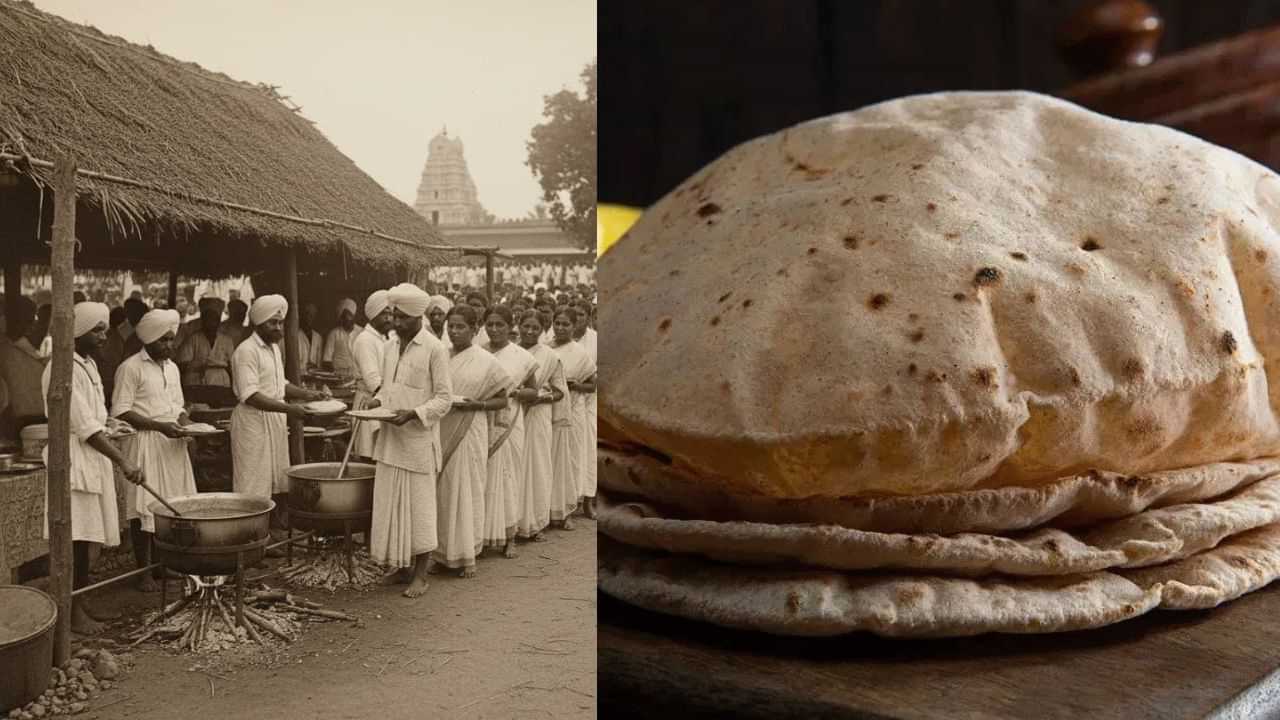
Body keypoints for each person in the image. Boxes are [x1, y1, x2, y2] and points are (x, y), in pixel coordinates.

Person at [43, 302, 144, 634]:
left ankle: (80, 603)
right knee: (73, 540)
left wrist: (112, 424)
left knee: (86, 541)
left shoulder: (86, 364)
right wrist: (123, 459)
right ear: (77, 332)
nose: (104, 336)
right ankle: (70, 613)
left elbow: (95, 418)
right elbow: (84, 428)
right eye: (97, 330)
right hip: (73, 461)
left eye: (104, 329)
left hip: (92, 457)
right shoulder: (62, 368)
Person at [363, 283, 452, 597]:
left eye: (401, 318)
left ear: (418, 317)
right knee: (392, 505)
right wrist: (376, 403)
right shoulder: (388, 346)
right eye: (393, 316)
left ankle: (420, 574)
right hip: (391, 439)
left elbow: (444, 400)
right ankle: (400, 567)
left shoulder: (435, 349)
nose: (395, 323)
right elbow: (387, 389)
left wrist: (413, 413)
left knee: (419, 509)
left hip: (417, 442)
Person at [230, 295, 325, 550]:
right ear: (259, 323)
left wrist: (308, 394)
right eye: (273, 323)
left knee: (274, 480)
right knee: (253, 483)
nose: (279, 329)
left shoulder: (272, 348)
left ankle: (268, 537)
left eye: (281, 323)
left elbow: (279, 385)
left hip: (273, 420)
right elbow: (251, 395)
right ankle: (248, 542)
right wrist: (290, 410)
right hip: (253, 423)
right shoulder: (246, 351)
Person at [111, 309, 197, 591]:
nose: (169, 346)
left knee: (170, 505)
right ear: (149, 339)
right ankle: (143, 571)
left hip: (171, 442)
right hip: (145, 442)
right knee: (144, 508)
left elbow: (178, 405)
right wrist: (160, 427)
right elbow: (121, 411)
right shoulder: (130, 367)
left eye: (172, 340)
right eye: (164, 341)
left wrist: (189, 426)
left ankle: (163, 564)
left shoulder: (171, 368)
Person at [431, 305, 509, 578]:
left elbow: (503, 399)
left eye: (460, 326)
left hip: (470, 427)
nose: (454, 331)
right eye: (450, 326)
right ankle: (441, 553)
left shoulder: (486, 361)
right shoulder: (440, 355)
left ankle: (467, 555)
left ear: (475, 330)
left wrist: (479, 404)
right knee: (443, 490)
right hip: (441, 426)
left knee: (467, 487)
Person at [480, 306, 539, 558]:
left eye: (499, 325)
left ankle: (509, 536)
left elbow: (533, 392)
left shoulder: (521, 357)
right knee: (483, 479)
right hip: (482, 421)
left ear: (509, 326)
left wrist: (514, 393)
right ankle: (480, 536)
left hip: (511, 422)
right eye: (490, 324)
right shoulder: (478, 353)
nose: (494, 329)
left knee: (509, 477)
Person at [515, 312, 567, 540]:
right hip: (513, 413)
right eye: (525, 326)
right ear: (518, 326)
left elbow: (560, 392)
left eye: (535, 328)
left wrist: (541, 398)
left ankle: (535, 524)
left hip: (538, 415)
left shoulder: (550, 356)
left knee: (536, 466)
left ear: (542, 329)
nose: (529, 331)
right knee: (512, 467)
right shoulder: (510, 352)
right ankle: (510, 524)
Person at [549, 308, 595, 527]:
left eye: (565, 324)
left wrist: (576, 385)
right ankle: (548, 507)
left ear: (574, 325)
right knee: (550, 457)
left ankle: (569, 507)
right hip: (547, 409)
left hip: (573, 409)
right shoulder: (545, 349)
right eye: (557, 323)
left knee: (570, 457)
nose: (560, 328)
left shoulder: (580, 353)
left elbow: (593, 384)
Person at [350, 290, 392, 460]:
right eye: (384, 314)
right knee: (369, 458)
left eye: (390, 313)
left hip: (383, 402)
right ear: (373, 315)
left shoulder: (385, 338)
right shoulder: (365, 340)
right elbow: (373, 382)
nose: (389, 318)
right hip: (369, 403)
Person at [0, 296, 47, 432]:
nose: (33, 325)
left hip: (35, 419)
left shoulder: (20, 347)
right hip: (19, 421)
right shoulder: (7, 350)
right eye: (28, 320)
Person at [572, 300, 599, 518]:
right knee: (569, 452)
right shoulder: (557, 339)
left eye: (581, 315)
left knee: (588, 451)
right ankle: (569, 502)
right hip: (566, 403)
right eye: (574, 315)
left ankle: (589, 500)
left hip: (590, 402)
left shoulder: (597, 341)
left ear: (588, 317)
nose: (577, 319)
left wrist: (580, 386)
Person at [175, 296, 235, 387]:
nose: (210, 322)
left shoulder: (227, 340)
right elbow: (182, 363)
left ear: (218, 321)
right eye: (207, 318)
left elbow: (233, 365)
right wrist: (200, 364)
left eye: (214, 319)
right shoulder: (193, 339)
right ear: (202, 320)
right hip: (196, 382)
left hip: (221, 382)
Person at [323, 298, 360, 378]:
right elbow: (327, 360)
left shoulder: (362, 333)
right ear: (341, 319)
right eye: (344, 317)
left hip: (359, 377)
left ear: (354, 316)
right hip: (340, 378)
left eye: (350, 316)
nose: (347, 320)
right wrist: (336, 375)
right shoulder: (333, 334)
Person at [297, 303, 323, 371]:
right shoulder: (294, 336)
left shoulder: (318, 338)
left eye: (312, 315)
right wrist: (305, 366)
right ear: (302, 316)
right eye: (307, 314)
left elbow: (319, 363)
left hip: (314, 377)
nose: (309, 318)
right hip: (298, 376)